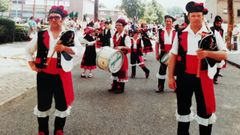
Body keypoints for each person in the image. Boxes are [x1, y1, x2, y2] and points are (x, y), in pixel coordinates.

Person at [167, 1, 228, 135]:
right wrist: (170, 77)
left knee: (205, 111)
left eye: (198, 15)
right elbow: (173, 56)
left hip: (204, 78)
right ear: (189, 17)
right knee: (183, 110)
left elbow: (225, 54)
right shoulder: (180, 33)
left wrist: (208, 53)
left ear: (202, 16)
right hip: (184, 77)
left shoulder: (212, 33)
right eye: (193, 15)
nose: (196, 18)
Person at [25, 6, 81, 135]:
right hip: (44, 74)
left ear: (62, 19)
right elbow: (27, 51)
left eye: (57, 17)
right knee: (43, 104)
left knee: (62, 104)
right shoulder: (41, 34)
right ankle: (42, 130)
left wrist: (65, 48)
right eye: (51, 17)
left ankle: (58, 130)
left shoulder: (70, 34)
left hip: (62, 74)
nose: (53, 20)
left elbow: (79, 51)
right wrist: (31, 64)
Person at [108, 18, 131, 94]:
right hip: (115, 56)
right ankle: (114, 86)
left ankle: (120, 88)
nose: (117, 27)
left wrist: (121, 47)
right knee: (114, 70)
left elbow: (128, 47)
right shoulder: (115, 35)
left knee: (121, 72)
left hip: (122, 57)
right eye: (116, 25)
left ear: (123, 26)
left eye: (119, 25)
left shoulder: (126, 36)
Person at [155, 15, 176, 93]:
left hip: (173, 53)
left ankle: (175, 87)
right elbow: (157, 44)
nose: (168, 22)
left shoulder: (176, 31)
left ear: (172, 22)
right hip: (163, 53)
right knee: (162, 70)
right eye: (167, 21)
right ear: (165, 22)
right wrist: (157, 53)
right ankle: (160, 87)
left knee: (174, 70)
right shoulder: (160, 31)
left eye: (170, 21)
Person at [210, 15, 225, 84]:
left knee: (219, 64)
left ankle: (215, 78)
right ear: (215, 23)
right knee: (213, 64)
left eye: (220, 23)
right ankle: (212, 77)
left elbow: (222, 39)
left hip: (219, 49)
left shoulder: (222, 30)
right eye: (217, 23)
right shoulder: (211, 29)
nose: (219, 25)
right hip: (213, 49)